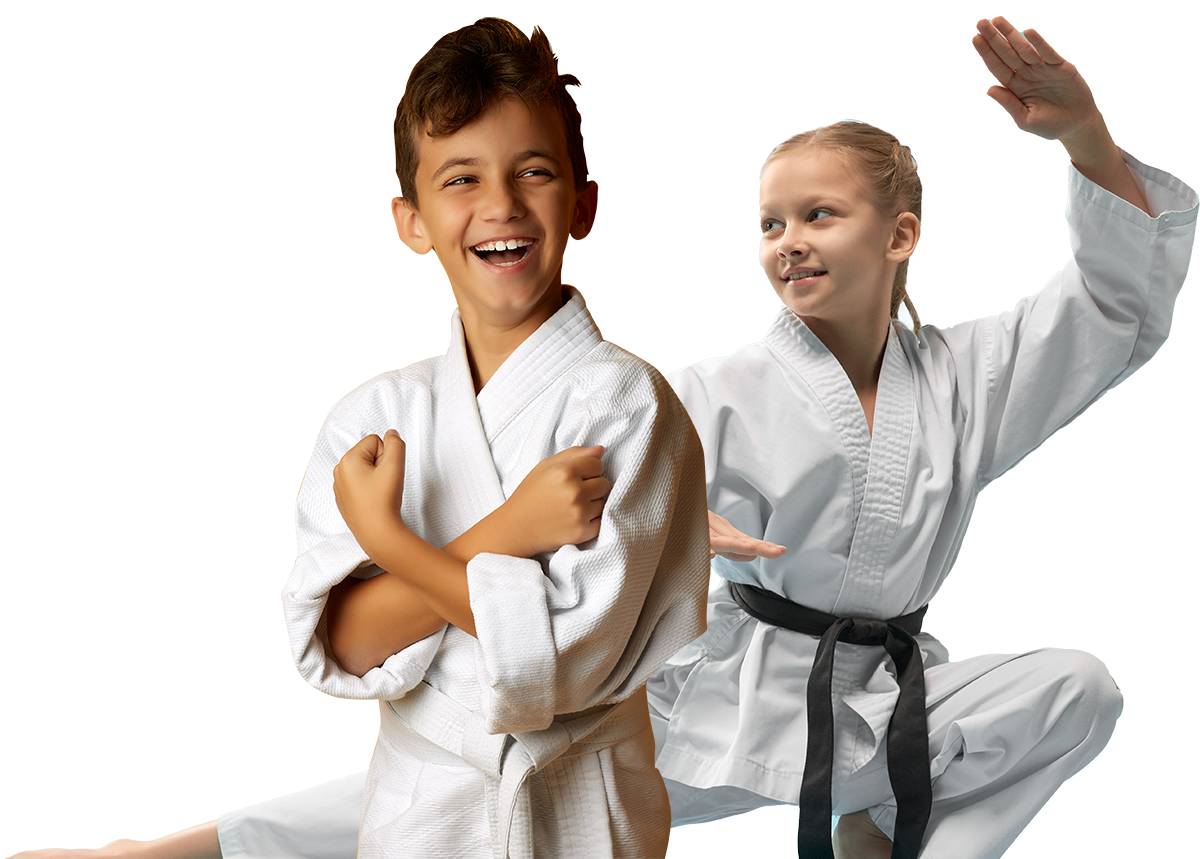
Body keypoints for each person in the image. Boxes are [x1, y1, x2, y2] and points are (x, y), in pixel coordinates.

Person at [7, 15, 1196, 859]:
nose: (788, 241)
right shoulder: (701, 392)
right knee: (454, 785)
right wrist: (681, 516)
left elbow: (1111, 307)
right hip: (714, 700)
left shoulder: (975, 375)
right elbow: (603, 509)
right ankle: (179, 851)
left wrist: (1086, 138)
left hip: (879, 703)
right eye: (771, 221)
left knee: (1077, 690)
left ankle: (882, 846)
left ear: (902, 235)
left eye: (820, 215)